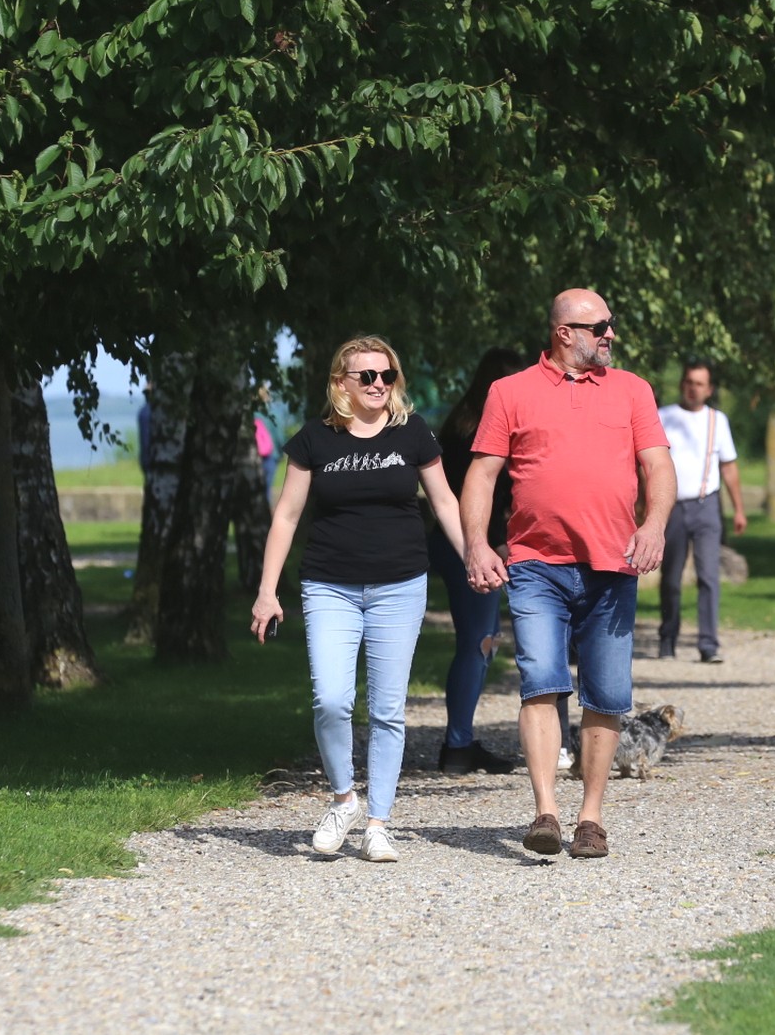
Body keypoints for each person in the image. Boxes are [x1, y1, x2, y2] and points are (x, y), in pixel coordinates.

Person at [461, 289, 674, 860]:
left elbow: (658, 465)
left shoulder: (633, 390)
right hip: (535, 565)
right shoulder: (510, 392)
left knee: (605, 695)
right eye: (600, 327)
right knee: (542, 683)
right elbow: (482, 475)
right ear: (564, 333)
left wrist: (652, 527)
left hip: (612, 566)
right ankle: (546, 812)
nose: (611, 335)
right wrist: (477, 545)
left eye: (611, 325)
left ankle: (591, 818)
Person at [251, 335, 465, 862]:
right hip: (329, 584)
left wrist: (474, 556)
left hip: (400, 585)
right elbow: (286, 516)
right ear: (340, 382)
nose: (376, 384)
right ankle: (344, 799)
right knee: (331, 699)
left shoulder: (412, 433)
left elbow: (444, 500)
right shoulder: (313, 441)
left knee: (389, 709)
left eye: (385, 375)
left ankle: (378, 822)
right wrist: (266, 590)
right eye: (365, 375)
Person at [430, 347, 530, 774]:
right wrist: (492, 543)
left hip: (458, 542)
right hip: (473, 544)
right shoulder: (479, 433)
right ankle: (458, 744)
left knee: (480, 641)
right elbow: (479, 496)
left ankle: (460, 741)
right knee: (479, 642)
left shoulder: (460, 423)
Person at [655, 360, 748, 662]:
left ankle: (708, 644)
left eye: (699, 384)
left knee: (709, 575)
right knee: (671, 576)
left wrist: (738, 509)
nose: (692, 389)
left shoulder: (717, 421)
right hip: (673, 506)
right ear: (682, 384)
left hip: (707, 504)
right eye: (688, 382)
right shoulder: (663, 417)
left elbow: (729, 467)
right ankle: (668, 636)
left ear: (708, 390)